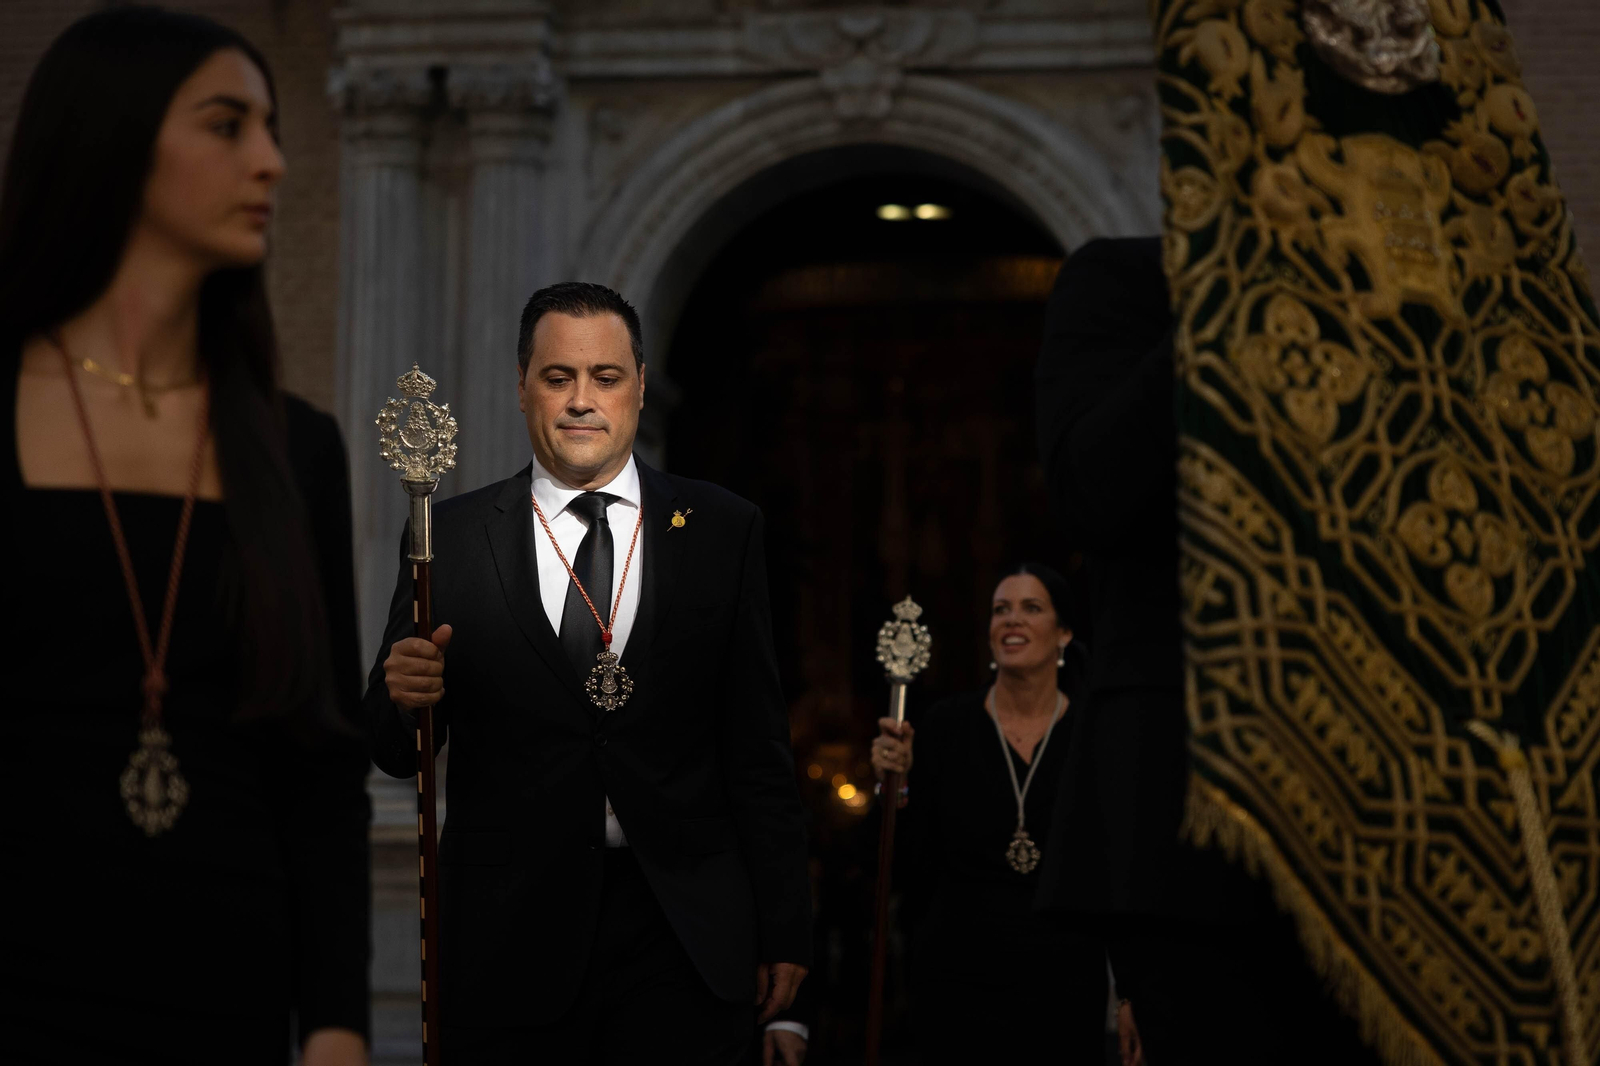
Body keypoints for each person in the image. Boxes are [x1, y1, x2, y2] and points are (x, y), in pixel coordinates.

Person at [2, 9, 370, 1064]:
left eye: (272, 127)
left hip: (228, 998)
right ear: (112, 139)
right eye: (227, 125)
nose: (273, 161)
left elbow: (320, 770)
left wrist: (338, 1028)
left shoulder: (296, 446)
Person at [367, 281, 811, 1061]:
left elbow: (757, 751)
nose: (582, 401)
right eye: (558, 377)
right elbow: (390, 743)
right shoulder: (453, 536)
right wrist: (400, 698)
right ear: (522, 389)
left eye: (605, 377)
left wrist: (785, 925)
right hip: (511, 932)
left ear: (640, 387)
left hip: (682, 929)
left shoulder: (721, 530)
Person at [1033, 237, 1379, 1065]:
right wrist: (1236, 290)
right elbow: (1091, 489)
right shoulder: (1126, 278)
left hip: (1391, 807)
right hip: (1190, 810)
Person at [870, 563, 1107, 1066]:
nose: (1011, 620)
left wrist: (1129, 991)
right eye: (1001, 610)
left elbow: (1115, 866)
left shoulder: (1095, 734)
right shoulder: (944, 727)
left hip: (1065, 978)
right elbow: (911, 860)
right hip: (958, 978)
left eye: (1031, 608)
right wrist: (899, 784)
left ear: (1064, 634)